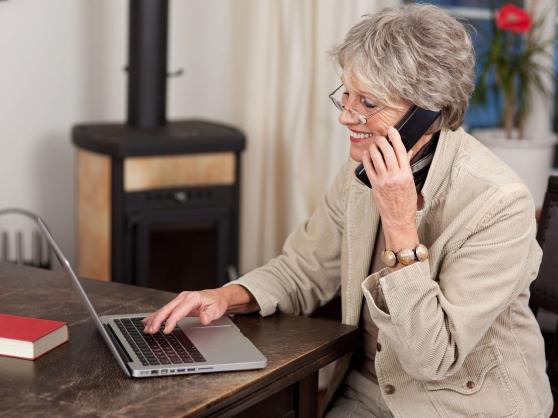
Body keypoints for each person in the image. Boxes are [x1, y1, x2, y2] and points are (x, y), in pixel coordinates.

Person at [142, 4, 553, 417]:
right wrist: (224, 297)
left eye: (368, 103)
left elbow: (432, 360)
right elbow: (302, 269)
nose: (344, 116)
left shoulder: (498, 203)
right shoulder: (360, 173)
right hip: (365, 393)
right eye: (346, 94)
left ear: (426, 113)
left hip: (459, 406)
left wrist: (399, 222)